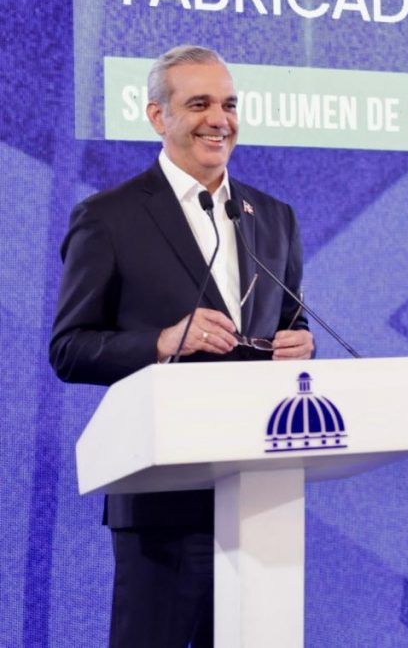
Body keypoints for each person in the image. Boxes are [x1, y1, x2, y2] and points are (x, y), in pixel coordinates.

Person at [49, 45, 314, 648]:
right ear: (157, 116)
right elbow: (69, 349)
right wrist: (163, 342)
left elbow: (291, 322)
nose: (219, 119)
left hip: (263, 497)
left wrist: (302, 348)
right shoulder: (108, 217)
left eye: (229, 104)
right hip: (162, 502)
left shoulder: (275, 217)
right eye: (198, 104)